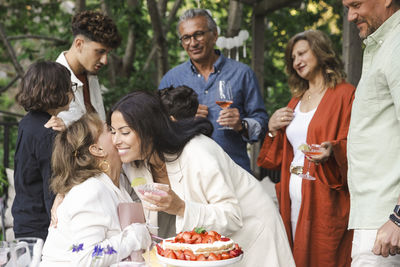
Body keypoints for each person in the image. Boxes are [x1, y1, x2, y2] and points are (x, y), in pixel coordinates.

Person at [108, 91, 295, 267]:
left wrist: (180, 207)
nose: (116, 140)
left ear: (151, 131)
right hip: (209, 247)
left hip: (252, 231)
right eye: (112, 131)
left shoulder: (198, 152)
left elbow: (232, 216)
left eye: (124, 132)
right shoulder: (134, 163)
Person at [257, 30, 355, 267]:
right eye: (293, 58)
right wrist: (271, 129)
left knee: (325, 257)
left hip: (326, 199)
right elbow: (274, 159)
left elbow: (357, 144)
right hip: (293, 199)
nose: (296, 61)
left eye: (302, 53)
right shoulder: (297, 100)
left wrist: (333, 150)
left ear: (320, 53)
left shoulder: (345, 94)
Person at [158, 8, 268, 174]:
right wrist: (183, 123)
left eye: (199, 34)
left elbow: (262, 124)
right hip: (189, 175)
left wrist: (242, 125)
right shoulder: (171, 79)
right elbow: (157, 127)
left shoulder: (242, 73)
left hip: (234, 172)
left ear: (214, 35)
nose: (193, 42)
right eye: (186, 37)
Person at [40, 113, 151, 266]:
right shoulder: (89, 191)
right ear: (97, 149)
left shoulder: (116, 183)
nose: (116, 136)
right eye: (110, 130)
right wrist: (135, 238)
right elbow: (87, 258)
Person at [342, 0, 400, 265]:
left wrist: (398, 216)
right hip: (377, 216)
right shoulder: (383, 45)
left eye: (356, 4)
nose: (351, 16)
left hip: (387, 219)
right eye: (346, 8)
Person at [12, 61, 73, 240]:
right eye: (70, 87)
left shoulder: (28, 123)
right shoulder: (48, 133)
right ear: (56, 91)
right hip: (42, 226)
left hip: (25, 217)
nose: (72, 93)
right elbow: (53, 187)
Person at [55, 10, 121, 127]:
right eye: (100, 52)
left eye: (107, 53)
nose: (104, 61)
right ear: (79, 44)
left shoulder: (90, 75)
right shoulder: (51, 82)